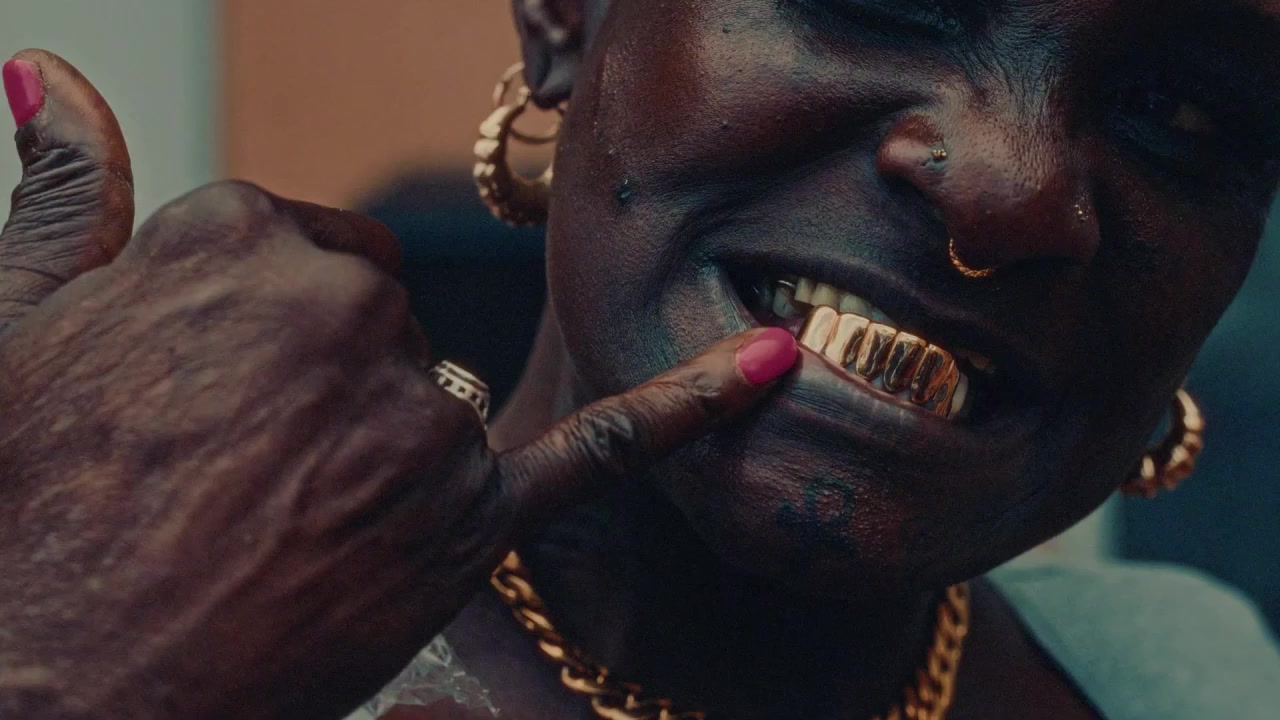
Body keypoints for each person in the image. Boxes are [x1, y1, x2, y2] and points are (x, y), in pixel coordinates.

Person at [1, 0, 1278, 717]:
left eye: (1179, 113)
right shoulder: (150, 654)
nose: (1009, 187)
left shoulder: (1189, 679)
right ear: (566, 16)